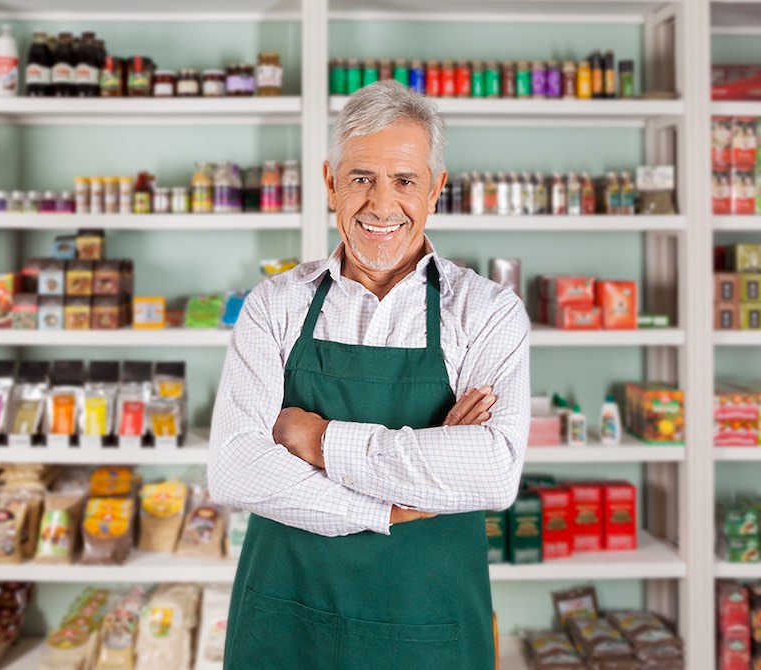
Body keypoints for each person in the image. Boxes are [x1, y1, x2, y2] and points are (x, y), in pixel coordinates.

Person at [209, 80, 530, 669]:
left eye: (405, 181)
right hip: (286, 624)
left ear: (436, 189)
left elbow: (493, 471)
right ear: (331, 183)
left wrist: (316, 439)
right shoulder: (274, 306)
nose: (382, 206)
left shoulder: (486, 312)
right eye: (361, 179)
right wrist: (390, 507)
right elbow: (233, 470)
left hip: (427, 629)